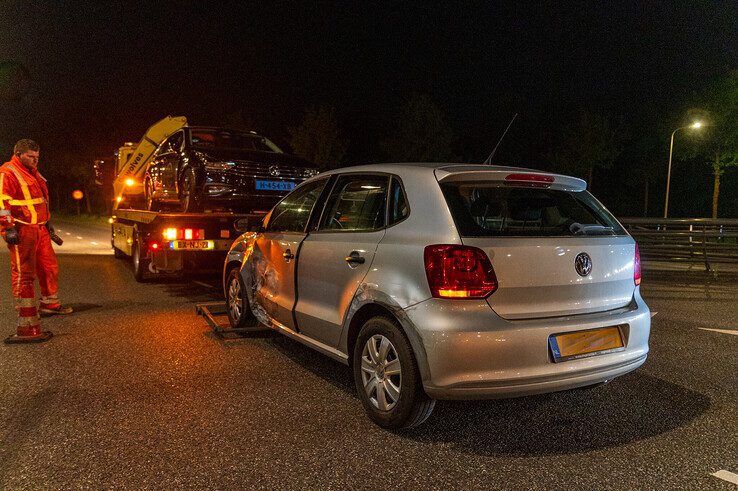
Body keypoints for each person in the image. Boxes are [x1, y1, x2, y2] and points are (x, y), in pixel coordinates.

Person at [1, 139, 72, 342]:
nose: (34, 160)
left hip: (40, 227)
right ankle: (25, 311)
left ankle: (50, 304)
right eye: (30, 157)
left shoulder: (33, 172)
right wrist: (8, 228)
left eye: (37, 157)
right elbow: (2, 202)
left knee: (49, 266)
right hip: (22, 228)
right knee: (24, 271)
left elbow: (41, 199)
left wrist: (47, 223)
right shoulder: (8, 172)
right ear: (18, 154)